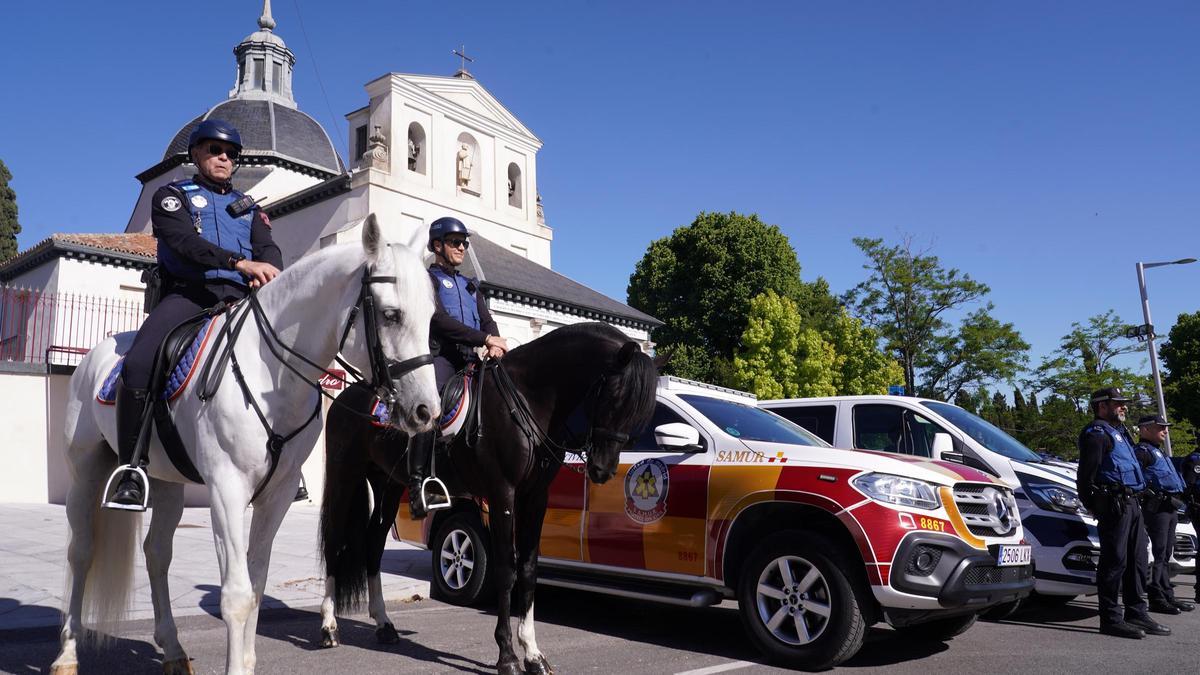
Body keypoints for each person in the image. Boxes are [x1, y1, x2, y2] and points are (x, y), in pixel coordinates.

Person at [104, 119, 283, 511]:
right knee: (140, 362)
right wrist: (239, 263)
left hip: (239, 298)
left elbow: (267, 247)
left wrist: (269, 268)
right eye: (215, 150)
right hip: (189, 295)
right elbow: (183, 244)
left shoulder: (249, 209)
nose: (223, 158)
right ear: (196, 154)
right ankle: (131, 469)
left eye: (231, 154)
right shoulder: (173, 196)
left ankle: (285, 461)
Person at [406, 216, 507, 518]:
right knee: (429, 409)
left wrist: (496, 341)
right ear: (437, 245)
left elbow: (487, 320)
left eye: (464, 242)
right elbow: (440, 321)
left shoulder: (470, 285)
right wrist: (484, 337)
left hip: (471, 359)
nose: (462, 247)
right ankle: (418, 484)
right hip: (443, 357)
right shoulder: (427, 280)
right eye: (455, 242)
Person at [1076, 387, 1170, 638]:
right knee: (1114, 561)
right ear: (1102, 406)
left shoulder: (1119, 433)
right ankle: (1110, 619)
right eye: (1117, 403)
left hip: (1132, 504)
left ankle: (1136, 612)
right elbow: (1085, 476)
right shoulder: (1096, 433)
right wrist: (1096, 506)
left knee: (1138, 560)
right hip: (1115, 506)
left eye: (1122, 403)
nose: (1123, 407)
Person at [1134, 414, 1193, 614]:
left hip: (1170, 508)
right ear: (1145, 429)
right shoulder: (1142, 452)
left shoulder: (1158, 452)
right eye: (1160, 427)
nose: (1165, 431)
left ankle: (1167, 595)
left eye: (1165, 427)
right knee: (1158, 554)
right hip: (1157, 509)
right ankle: (1156, 597)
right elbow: (1135, 481)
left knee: (1166, 553)